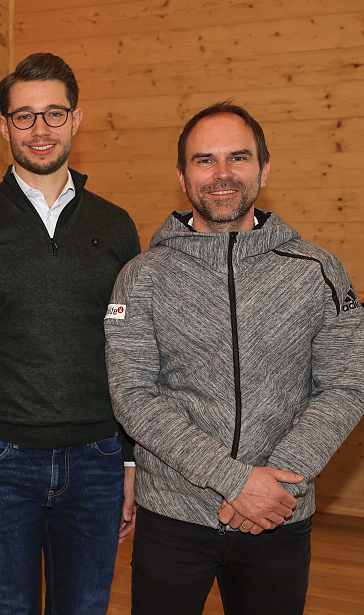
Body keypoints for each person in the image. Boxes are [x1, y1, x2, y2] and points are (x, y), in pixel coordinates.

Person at [105, 102, 364, 614]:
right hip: (173, 518)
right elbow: (132, 395)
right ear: (182, 177)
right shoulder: (142, 277)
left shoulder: (318, 271)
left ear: (264, 168)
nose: (222, 175)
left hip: (279, 512)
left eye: (238, 158)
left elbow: (346, 385)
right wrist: (234, 479)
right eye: (205, 161)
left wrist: (273, 483)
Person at [0, 52, 142, 614]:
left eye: (54, 114)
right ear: (4, 126)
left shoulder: (116, 225)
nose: (40, 130)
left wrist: (130, 461)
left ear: (76, 120)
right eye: (24, 116)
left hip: (98, 458)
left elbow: (133, 351)